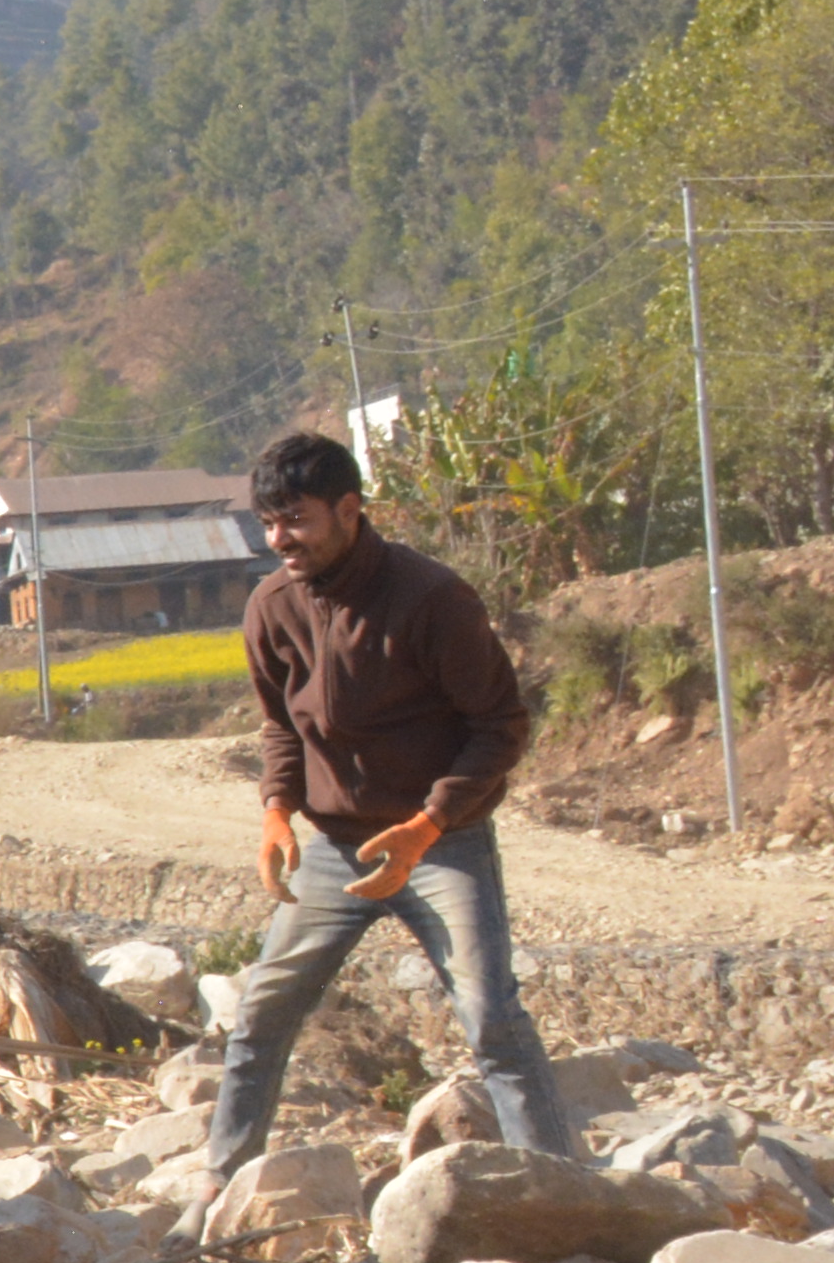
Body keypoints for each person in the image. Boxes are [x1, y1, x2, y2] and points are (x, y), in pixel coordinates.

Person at [206, 426, 578, 1193]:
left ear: (350, 509)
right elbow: (281, 723)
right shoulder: (271, 607)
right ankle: (219, 1190)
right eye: (268, 523)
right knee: (259, 1021)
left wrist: (430, 823)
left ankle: (561, 1190)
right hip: (337, 850)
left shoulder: (432, 598)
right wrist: (278, 808)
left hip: (441, 845)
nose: (280, 539)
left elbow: (499, 727)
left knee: (493, 1022)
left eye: (298, 520)